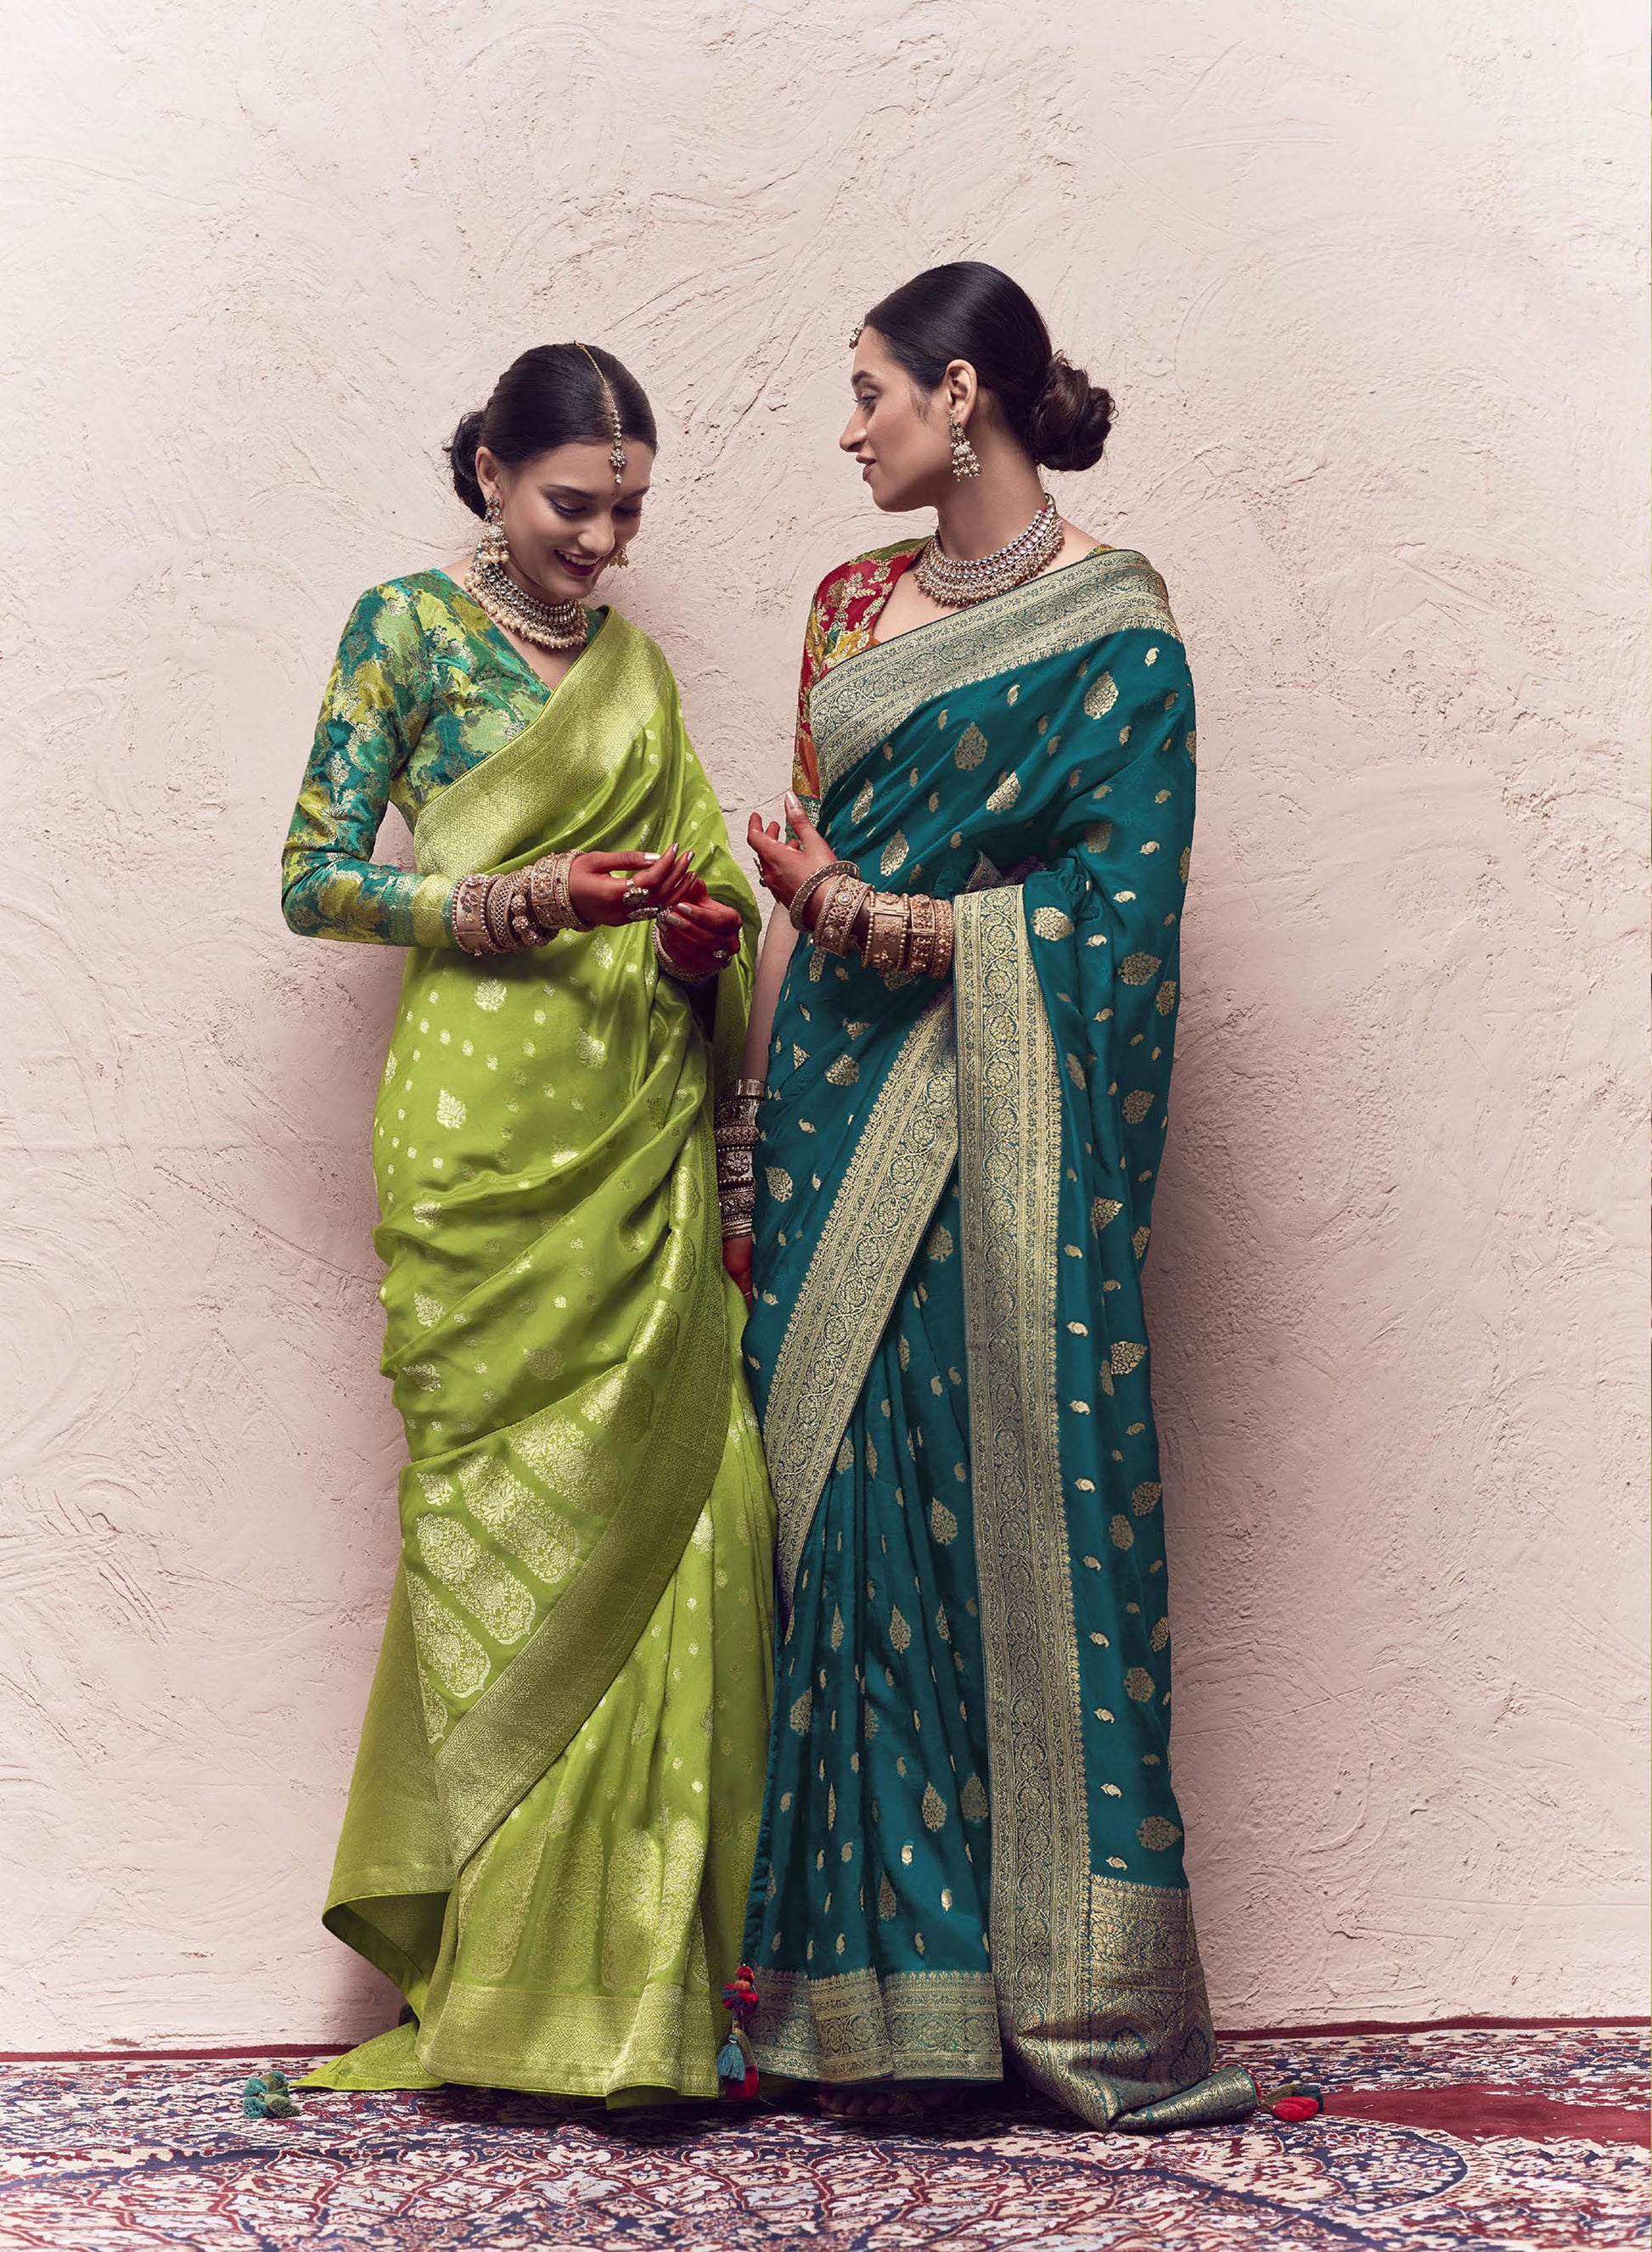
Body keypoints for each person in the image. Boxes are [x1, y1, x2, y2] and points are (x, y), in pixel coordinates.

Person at [728, 264, 1256, 2131]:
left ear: (961, 397)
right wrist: (758, 1095)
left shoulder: (1121, 638)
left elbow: (1115, 931)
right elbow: (809, 866)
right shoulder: (842, 608)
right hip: (834, 1111)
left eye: (869, 389)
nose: (848, 428)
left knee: (997, 1526)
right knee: (844, 1532)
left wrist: (876, 916)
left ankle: (1055, 1998)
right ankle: (878, 2013)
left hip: (998, 1134)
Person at [282, 342, 776, 2105]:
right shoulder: (403, 633)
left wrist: (697, 934)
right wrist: (520, 897)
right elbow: (315, 878)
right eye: (575, 503)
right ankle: (495, 1982)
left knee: (689, 1510)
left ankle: (652, 1987)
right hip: (481, 1150)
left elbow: (711, 892)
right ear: (491, 473)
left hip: (636, 1137)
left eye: (629, 511)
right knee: (494, 1540)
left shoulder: (636, 671)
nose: (604, 543)